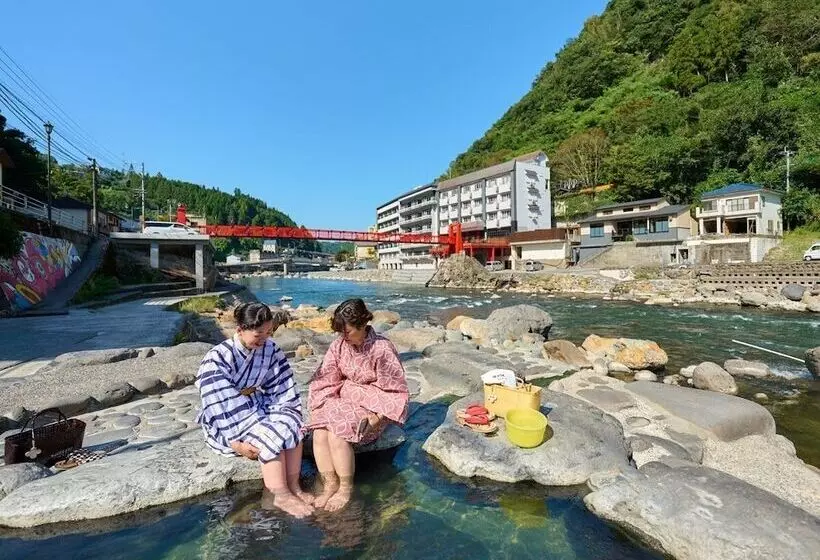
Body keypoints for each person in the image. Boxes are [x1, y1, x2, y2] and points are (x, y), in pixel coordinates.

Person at [195, 302, 313, 518]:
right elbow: (217, 400)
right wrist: (236, 443)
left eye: (268, 333)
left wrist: (284, 411)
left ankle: (294, 485)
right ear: (240, 329)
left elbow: (281, 385)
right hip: (226, 416)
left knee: (292, 424)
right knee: (267, 434)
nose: (264, 339)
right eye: (258, 334)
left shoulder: (270, 348)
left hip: (258, 403)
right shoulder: (218, 357)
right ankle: (280, 492)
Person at [306, 298, 409, 511]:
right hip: (345, 398)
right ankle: (329, 483)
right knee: (319, 430)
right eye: (340, 333)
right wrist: (320, 401)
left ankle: (345, 487)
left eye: (348, 332)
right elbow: (327, 377)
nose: (343, 337)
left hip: (374, 407)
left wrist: (377, 418)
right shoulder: (339, 345)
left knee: (338, 434)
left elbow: (395, 390)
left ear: (363, 325)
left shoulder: (382, 349)